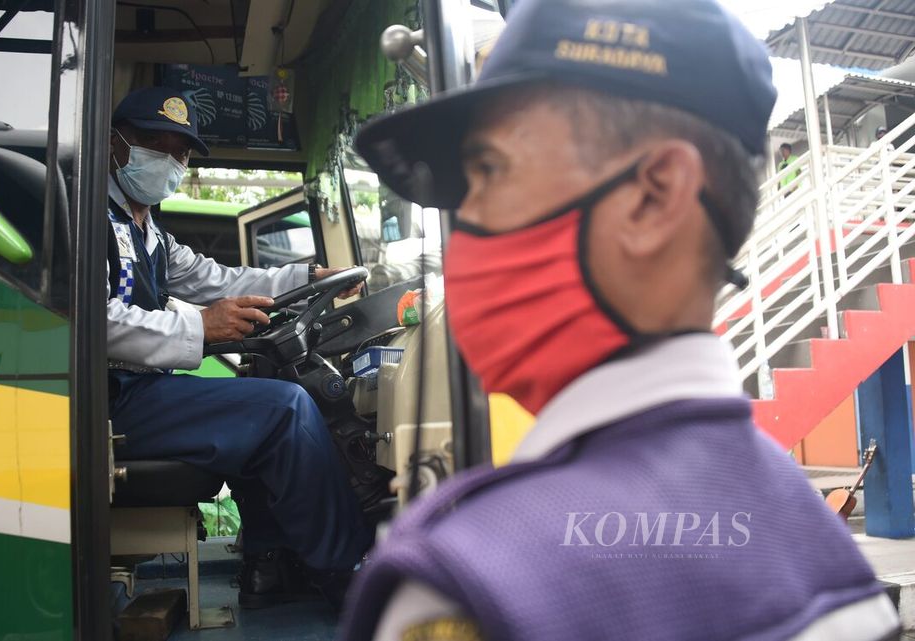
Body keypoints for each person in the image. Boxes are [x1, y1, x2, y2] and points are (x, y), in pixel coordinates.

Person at [339, 1, 901, 640]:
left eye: (490, 171)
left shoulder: (463, 589)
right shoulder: (831, 561)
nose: (462, 231)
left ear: (654, 195)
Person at [105, 86, 372, 609]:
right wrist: (202, 328)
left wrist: (310, 274)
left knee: (259, 394)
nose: (172, 161)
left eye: (180, 152)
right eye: (155, 146)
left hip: (139, 393)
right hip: (108, 403)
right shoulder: (89, 222)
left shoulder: (149, 231)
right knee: (284, 408)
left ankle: (268, 563)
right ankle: (349, 568)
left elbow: (217, 278)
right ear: (117, 145)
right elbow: (95, 324)